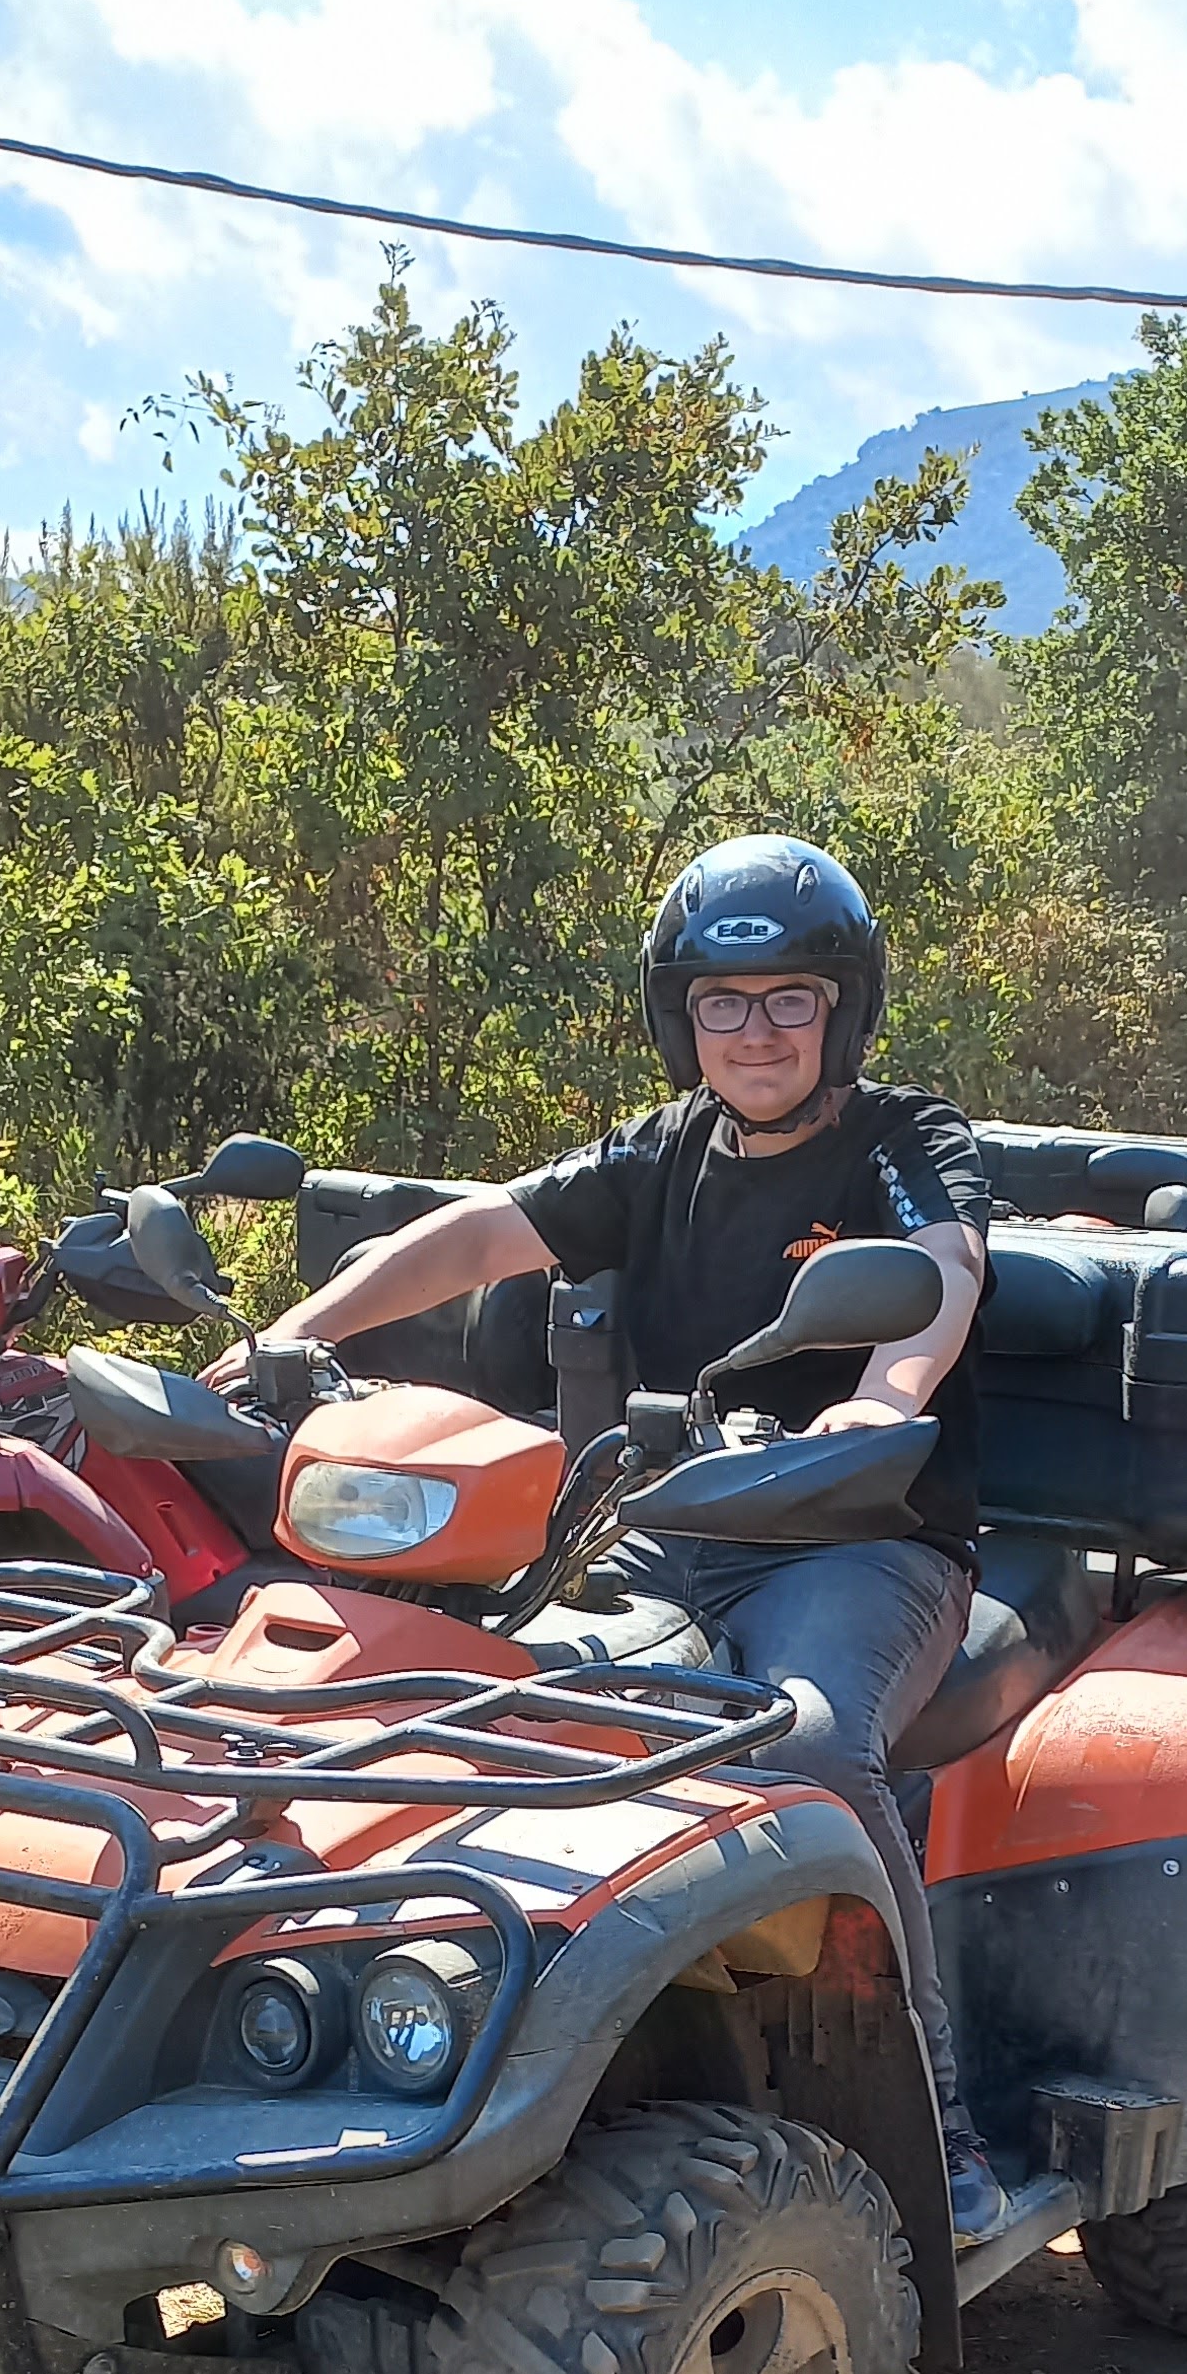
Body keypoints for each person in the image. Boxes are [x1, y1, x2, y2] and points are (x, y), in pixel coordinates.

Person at [249, 835, 1005, 2241]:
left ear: (843, 1009)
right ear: (681, 1015)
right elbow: (483, 1232)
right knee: (473, 1701)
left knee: (807, 1742)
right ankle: (439, 2054)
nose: (756, 1031)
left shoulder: (905, 1140)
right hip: (669, 1529)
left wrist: (881, 1401)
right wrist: (297, 1330)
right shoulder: (662, 1150)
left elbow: (940, 1269)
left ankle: (934, 2118)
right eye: (723, 1001)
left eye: (789, 999)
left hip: (863, 1540)